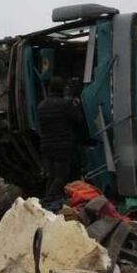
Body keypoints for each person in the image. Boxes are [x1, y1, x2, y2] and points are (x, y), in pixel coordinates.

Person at [37, 76, 85, 207]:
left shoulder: (41, 106)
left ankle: (48, 202)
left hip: (46, 146)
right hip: (62, 146)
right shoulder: (65, 105)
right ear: (63, 89)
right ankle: (47, 201)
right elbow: (79, 120)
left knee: (52, 176)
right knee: (61, 176)